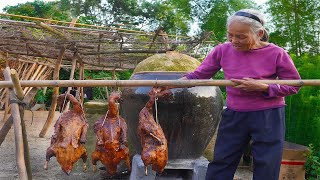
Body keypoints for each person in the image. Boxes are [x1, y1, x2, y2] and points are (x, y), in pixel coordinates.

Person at [181, 9, 301, 180]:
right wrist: (174, 84)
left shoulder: (276, 53)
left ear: (259, 33)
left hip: (268, 116)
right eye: (230, 35)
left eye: (241, 36)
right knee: (222, 161)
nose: (234, 40)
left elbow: (294, 85)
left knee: (267, 164)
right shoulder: (222, 50)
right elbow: (199, 75)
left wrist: (264, 87)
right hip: (234, 114)